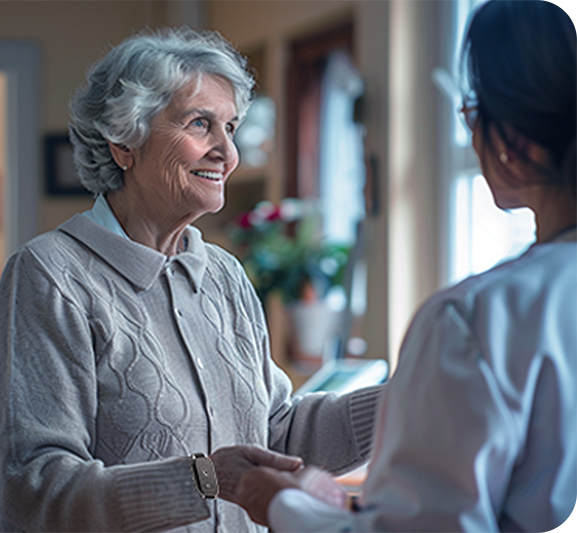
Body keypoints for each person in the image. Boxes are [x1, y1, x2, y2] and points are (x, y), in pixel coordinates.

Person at [0, 27, 383, 533]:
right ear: (124, 142)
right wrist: (205, 480)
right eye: (200, 124)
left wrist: (401, 402)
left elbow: (274, 436)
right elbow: (33, 490)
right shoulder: (50, 277)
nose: (226, 153)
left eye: (231, 127)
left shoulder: (224, 275)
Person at [221, 0, 577, 531]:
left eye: (473, 110)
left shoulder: (477, 321)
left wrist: (285, 505)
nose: (223, 154)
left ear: (516, 142)